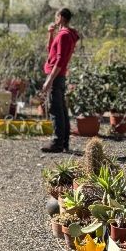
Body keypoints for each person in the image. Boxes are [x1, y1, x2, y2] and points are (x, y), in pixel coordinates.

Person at [41, 8, 80, 153]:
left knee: (56, 110)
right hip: (59, 76)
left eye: (56, 16)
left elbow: (60, 60)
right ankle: (64, 142)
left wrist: (49, 80)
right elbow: (51, 50)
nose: (55, 19)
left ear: (62, 17)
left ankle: (57, 142)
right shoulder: (64, 34)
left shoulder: (64, 36)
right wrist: (50, 34)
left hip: (56, 75)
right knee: (61, 109)